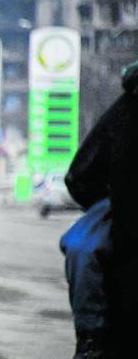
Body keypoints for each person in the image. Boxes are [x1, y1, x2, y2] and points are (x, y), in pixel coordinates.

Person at [64, 60, 138, 359]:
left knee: (81, 248)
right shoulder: (125, 114)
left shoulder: (123, 112)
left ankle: (90, 338)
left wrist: (114, 204)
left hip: (124, 246)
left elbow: (80, 176)